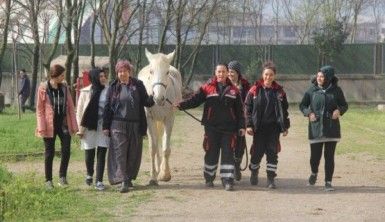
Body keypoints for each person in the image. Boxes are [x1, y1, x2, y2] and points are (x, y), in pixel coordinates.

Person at [176, 63, 245, 191]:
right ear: (215, 73)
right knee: (211, 153)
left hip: (229, 130)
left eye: (224, 72)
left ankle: (227, 180)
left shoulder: (234, 91)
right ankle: (209, 178)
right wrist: (181, 105)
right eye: (219, 72)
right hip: (211, 129)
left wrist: (242, 126)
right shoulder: (207, 88)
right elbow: (195, 100)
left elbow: (240, 111)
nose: (221, 74)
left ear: (227, 73)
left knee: (228, 154)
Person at [102, 60, 154, 193]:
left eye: (124, 71)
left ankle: (129, 177)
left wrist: (154, 96)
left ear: (129, 72)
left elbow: (146, 102)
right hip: (117, 124)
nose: (122, 74)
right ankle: (123, 180)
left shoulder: (138, 85)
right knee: (120, 152)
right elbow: (107, 107)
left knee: (133, 152)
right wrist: (105, 126)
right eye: (119, 71)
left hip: (135, 124)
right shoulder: (113, 87)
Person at [299, 65, 348, 191]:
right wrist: (309, 113)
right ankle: (314, 173)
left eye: (322, 76)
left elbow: (344, 105)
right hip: (316, 129)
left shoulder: (337, 90)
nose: (319, 78)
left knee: (329, 156)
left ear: (329, 78)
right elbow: (303, 105)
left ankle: (328, 182)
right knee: (315, 157)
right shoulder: (311, 90)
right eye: (318, 76)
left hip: (332, 128)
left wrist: (339, 110)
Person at [244, 61, 290, 189]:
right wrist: (249, 125)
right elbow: (247, 108)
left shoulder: (280, 92)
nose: (268, 77)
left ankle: (270, 179)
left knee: (272, 153)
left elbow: (284, 111)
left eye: (271, 75)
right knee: (256, 153)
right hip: (258, 129)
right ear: (262, 75)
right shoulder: (254, 90)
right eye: (266, 74)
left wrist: (285, 127)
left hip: (273, 129)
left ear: (274, 76)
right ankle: (254, 171)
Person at [35, 64, 78, 189]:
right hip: (49, 125)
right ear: (55, 75)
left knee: (66, 149)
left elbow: (70, 107)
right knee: (50, 152)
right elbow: (39, 109)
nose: (64, 77)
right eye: (62, 75)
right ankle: (48, 180)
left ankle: (62, 177)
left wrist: (74, 125)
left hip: (63, 124)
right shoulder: (43, 88)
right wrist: (41, 126)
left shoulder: (65, 88)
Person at [76, 68, 110, 191]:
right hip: (88, 126)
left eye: (104, 76)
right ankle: (89, 173)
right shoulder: (85, 92)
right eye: (100, 76)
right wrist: (80, 128)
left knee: (102, 153)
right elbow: (79, 111)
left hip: (103, 127)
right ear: (95, 77)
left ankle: (99, 180)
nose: (103, 78)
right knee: (89, 152)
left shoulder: (109, 91)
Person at [227, 60, 250, 181]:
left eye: (232, 72)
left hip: (241, 119)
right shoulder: (224, 83)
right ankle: (230, 168)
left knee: (240, 145)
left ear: (238, 73)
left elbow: (249, 101)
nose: (230, 74)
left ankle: (236, 165)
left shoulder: (245, 85)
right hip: (227, 119)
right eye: (229, 71)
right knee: (228, 144)